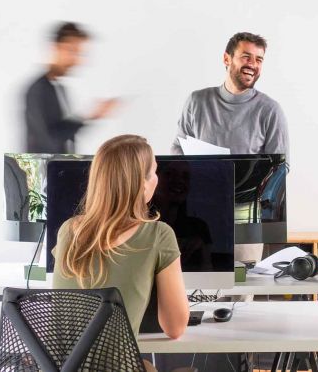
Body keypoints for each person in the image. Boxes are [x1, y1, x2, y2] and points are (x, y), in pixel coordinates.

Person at [52, 134, 189, 340]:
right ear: (142, 184)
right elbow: (175, 328)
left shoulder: (68, 230)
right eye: (153, 172)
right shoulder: (159, 235)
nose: (157, 178)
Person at [171, 31, 289, 264]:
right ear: (227, 59)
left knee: (241, 294)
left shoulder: (270, 110)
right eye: (246, 57)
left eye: (259, 59)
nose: (252, 65)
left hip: (245, 220)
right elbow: (177, 152)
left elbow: (280, 170)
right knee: (198, 292)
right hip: (198, 215)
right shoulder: (197, 101)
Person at [24, 22, 118, 153]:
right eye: (72, 51)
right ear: (55, 48)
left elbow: (60, 131)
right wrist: (88, 117)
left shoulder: (58, 88)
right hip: (42, 169)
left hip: (56, 167)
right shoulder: (38, 90)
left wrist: (91, 116)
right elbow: (49, 138)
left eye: (79, 53)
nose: (76, 60)